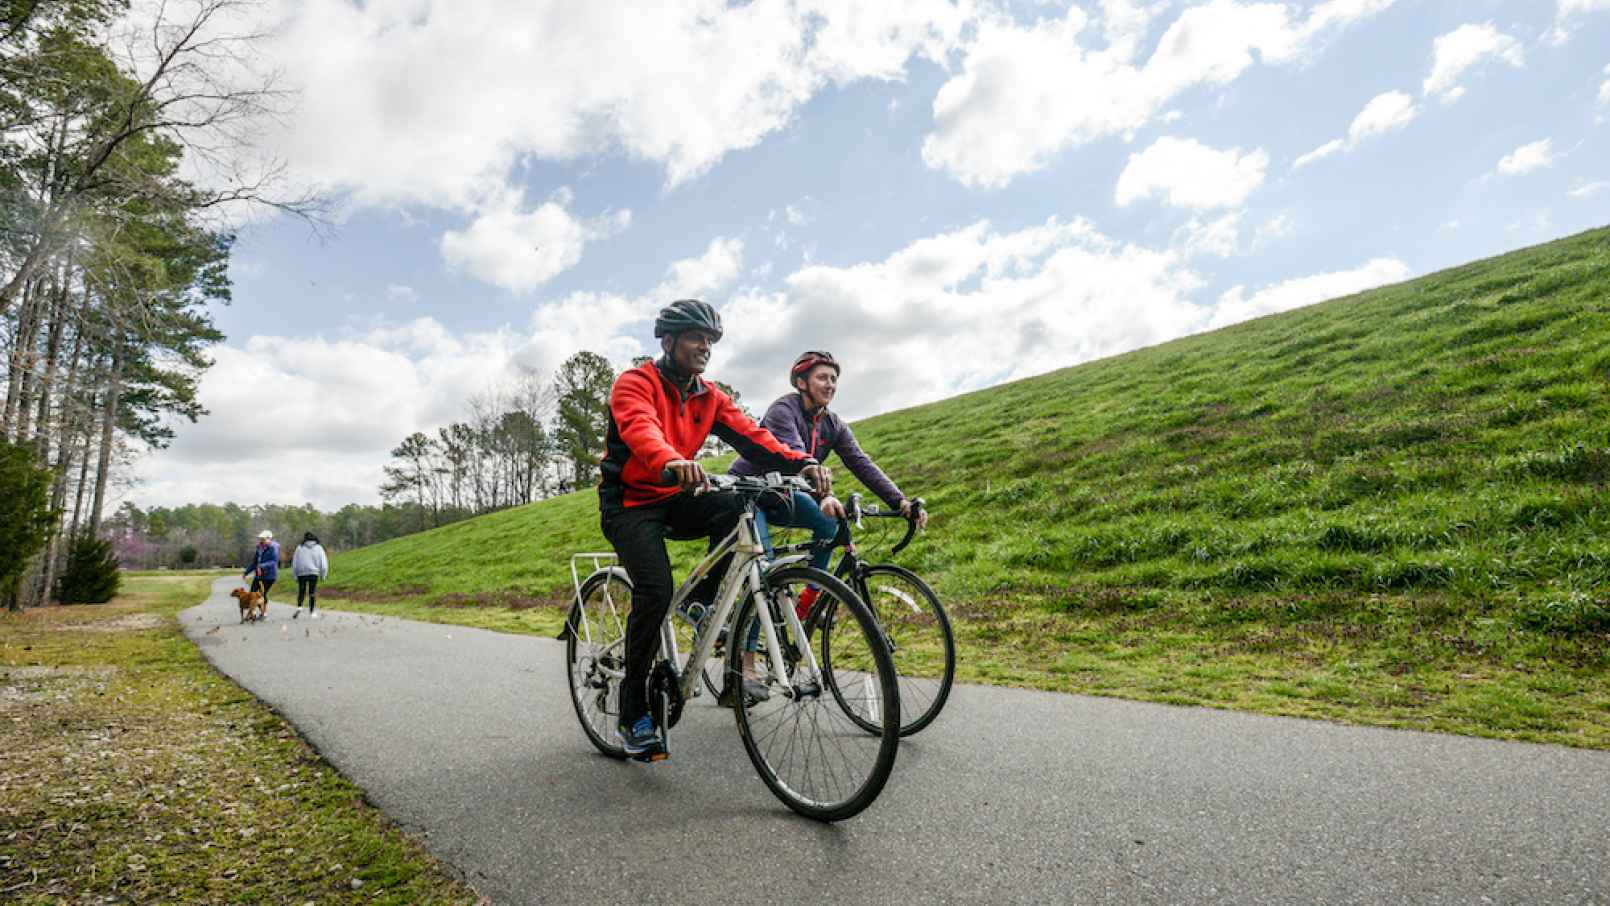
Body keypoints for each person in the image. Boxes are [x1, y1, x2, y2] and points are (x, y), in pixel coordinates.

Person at [599, 299, 830, 762]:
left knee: (733, 503)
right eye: (695, 338)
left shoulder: (710, 396)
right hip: (630, 504)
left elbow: (752, 435)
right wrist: (671, 461)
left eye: (710, 341)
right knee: (655, 591)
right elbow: (642, 429)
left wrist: (800, 461)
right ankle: (633, 714)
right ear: (668, 342)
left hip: (678, 497)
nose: (704, 347)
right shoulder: (635, 383)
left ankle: (703, 600)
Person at [730, 350, 928, 614]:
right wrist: (824, 495)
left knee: (829, 524)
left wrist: (900, 500)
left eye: (834, 379)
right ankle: (746, 653)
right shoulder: (783, 411)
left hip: (782, 493)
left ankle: (809, 600)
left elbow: (861, 462)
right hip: (750, 492)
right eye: (823, 378)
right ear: (802, 383)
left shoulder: (833, 424)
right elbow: (799, 457)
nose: (830, 385)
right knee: (764, 574)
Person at [291, 532, 329, 620]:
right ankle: (312, 612)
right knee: (312, 592)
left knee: (301, 590)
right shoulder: (319, 548)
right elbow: (323, 563)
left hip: (301, 573)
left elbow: (294, 562)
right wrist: (323, 575)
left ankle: (299, 607)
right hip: (313, 573)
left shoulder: (299, 547)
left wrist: (295, 575)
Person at [243, 530, 280, 612]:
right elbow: (255, 562)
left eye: (263, 539)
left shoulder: (274, 548)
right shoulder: (259, 548)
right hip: (259, 575)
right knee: (252, 593)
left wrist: (262, 566)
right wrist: (246, 572)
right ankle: (253, 612)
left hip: (270, 575)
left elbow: (274, 561)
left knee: (262, 594)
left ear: (269, 539)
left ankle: (264, 612)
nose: (261, 540)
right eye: (260, 539)